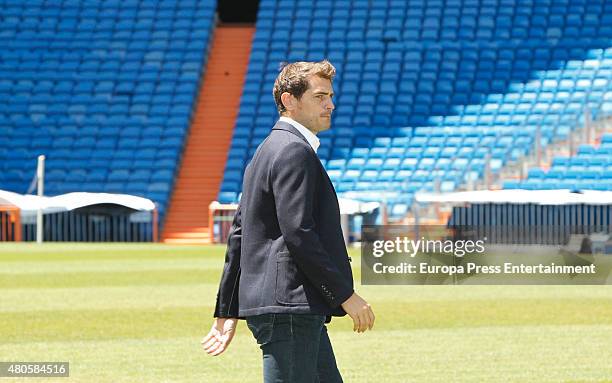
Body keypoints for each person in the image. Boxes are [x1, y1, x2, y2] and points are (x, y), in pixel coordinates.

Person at [201, 60, 375, 382]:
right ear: (289, 101)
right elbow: (299, 234)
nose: (331, 104)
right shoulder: (293, 151)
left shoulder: (266, 152)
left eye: (330, 96)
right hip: (290, 307)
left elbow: (240, 234)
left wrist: (226, 308)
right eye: (320, 96)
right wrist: (345, 295)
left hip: (292, 309)